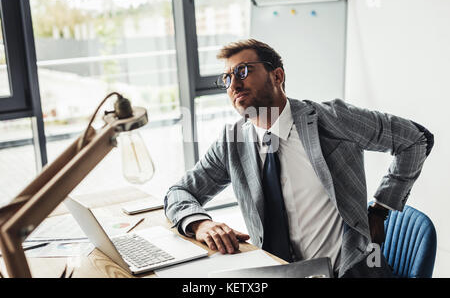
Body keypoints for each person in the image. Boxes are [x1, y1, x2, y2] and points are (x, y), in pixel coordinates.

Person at [164, 39, 433, 277]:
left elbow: (415, 139)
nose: (233, 84)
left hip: (348, 271)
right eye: (226, 78)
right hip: (276, 271)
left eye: (242, 71)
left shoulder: (331, 120)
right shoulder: (232, 140)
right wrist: (200, 223)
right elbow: (180, 192)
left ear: (277, 75)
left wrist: (380, 208)